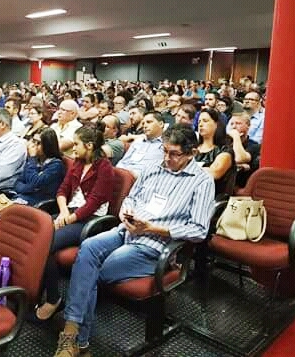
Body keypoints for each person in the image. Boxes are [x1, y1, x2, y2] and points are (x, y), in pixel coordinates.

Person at [52, 124, 215, 357]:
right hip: (126, 231)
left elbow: (198, 230)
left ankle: (76, 339)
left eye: (175, 154)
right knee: (87, 248)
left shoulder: (202, 181)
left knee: (92, 269)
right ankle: (74, 336)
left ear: (192, 153)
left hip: (155, 245)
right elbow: (130, 199)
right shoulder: (152, 168)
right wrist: (125, 214)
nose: (167, 158)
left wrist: (154, 228)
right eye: (165, 151)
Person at [35, 125, 114, 321]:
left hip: (90, 220)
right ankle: (32, 290)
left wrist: (66, 220)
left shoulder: (105, 168)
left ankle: (53, 299)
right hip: (69, 213)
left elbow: (93, 202)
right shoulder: (78, 163)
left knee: (44, 244)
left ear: (89, 145)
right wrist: (62, 213)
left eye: (77, 144)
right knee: (32, 235)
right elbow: (62, 191)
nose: (73, 147)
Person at [13, 128, 65, 205]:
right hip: (22, 197)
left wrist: (32, 158)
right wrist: (29, 188)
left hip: (38, 203)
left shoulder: (56, 165)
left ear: (48, 145)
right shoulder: (35, 160)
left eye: (39, 143)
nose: (34, 146)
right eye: (34, 141)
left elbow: (35, 182)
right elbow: (18, 183)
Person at [195, 108, 236, 195]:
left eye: (205, 121)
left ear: (216, 124)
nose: (201, 124)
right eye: (199, 122)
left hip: (210, 195)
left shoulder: (224, 150)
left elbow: (214, 173)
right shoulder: (192, 148)